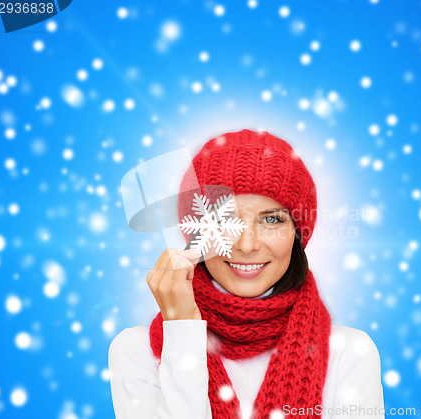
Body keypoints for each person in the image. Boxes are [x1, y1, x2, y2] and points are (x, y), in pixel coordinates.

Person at [108, 129, 384, 419]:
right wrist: (181, 329)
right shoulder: (137, 351)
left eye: (272, 220)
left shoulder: (349, 354)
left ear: (296, 234)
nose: (247, 244)